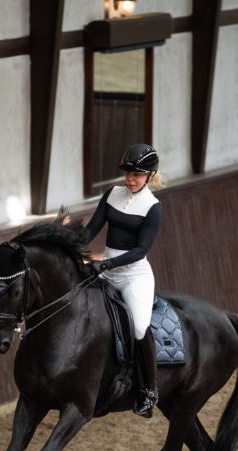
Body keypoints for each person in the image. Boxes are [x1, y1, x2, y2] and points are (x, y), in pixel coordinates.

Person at [84, 143, 163, 418]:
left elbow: (140, 250)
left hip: (133, 274)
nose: (130, 179)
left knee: (140, 328)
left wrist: (105, 263)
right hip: (105, 269)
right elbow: (91, 229)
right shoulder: (112, 194)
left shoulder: (153, 207)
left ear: (150, 175)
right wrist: (68, 244)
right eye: (128, 173)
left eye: (137, 175)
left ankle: (149, 391)